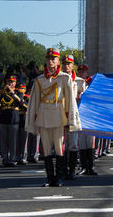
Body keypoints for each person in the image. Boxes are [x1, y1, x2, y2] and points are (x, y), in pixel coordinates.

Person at [26, 47, 80, 187]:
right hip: (44, 117)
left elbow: (69, 100)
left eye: (53, 59)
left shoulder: (64, 78)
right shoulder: (39, 80)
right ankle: (50, 178)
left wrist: (70, 119)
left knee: (60, 149)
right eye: (49, 59)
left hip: (58, 117)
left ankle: (60, 177)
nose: (50, 61)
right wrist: (34, 120)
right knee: (46, 150)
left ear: (58, 62)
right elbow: (35, 102)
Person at [0, 76, 25, 167]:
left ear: (15, 83)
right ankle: (5, 158)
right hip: (3, 118)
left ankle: (12, 158)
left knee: (13, 140)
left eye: (12, 82)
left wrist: (12, 93)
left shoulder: (18, 92)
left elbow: (21, 103)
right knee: (3, 140)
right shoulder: (1, 92)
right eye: (9, 81)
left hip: (13, 118)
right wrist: (3, 93)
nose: (10, 83)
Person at [75, 64, 97, 175]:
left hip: (89, 115)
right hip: (79, 115)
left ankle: (91, 166)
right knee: (82, 142)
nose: (82, 73)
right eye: (80, 72)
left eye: (84, 72)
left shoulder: (91, 84)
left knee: (90, 142)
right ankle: (83, 166)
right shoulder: (75, 83)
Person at [61, 55, 80, 180]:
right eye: (64, 64)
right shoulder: (59, 79)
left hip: (73, 116)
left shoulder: (79, 81)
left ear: (73, 66)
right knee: (61, 145)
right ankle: (63, 170)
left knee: (72, 145)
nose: (66, 66)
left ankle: (72, 169)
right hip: (61, 115)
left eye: (69, 64)